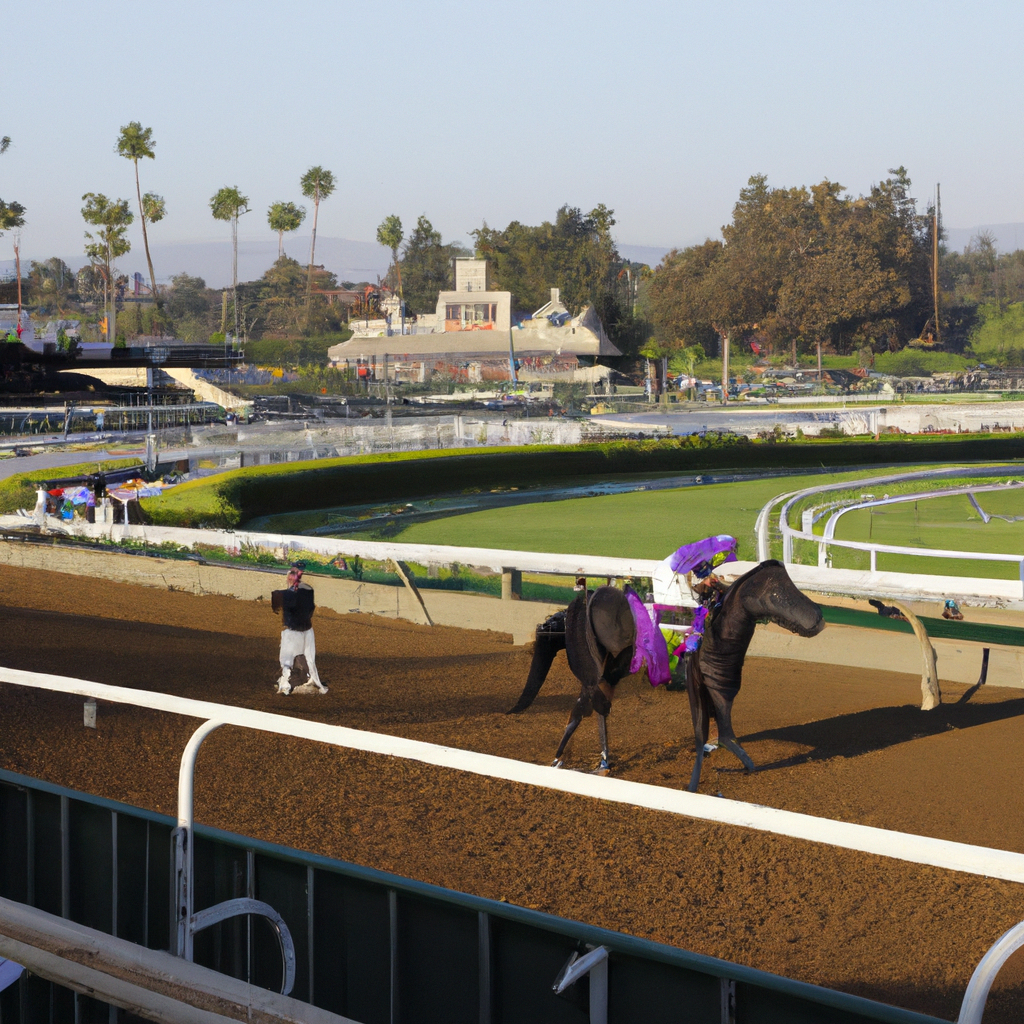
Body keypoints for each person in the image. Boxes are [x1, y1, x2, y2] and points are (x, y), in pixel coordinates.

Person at [270, 562, 327, 695]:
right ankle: (310, 681)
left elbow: (277, 607)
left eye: (294, 573)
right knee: (307, 659)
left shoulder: (285, 595)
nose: (290, 576)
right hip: (307, 632)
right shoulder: (308, 591)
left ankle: (285, 686)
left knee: (287, 660)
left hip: (292, 632)